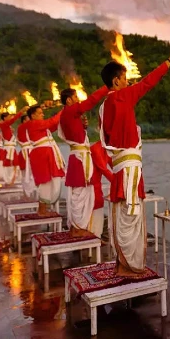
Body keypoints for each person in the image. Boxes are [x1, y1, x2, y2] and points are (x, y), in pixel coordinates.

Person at [99, 51, 170, 276]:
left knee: (122, 217)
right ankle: (129, 267)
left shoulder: (104, 105)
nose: (128, 82)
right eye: (125, 79)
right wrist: (168, 62)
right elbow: (148, 82)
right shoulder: (121, 97)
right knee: (131, 218)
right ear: (116, 81)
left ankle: (122, 263)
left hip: (120, 169)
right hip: (129, 170)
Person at [58, 85, 109, 237]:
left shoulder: (68, 114)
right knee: (79, 194)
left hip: (78, 157)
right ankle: (76, 228)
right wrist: (107, 87)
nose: (78, 100)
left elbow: (76, 134)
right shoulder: (69, 111)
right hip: (79, 159)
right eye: (75, 98)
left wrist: (82, 127)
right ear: (68, 100)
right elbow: (92, 100)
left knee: (80, 193)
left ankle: (77, 227)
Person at [26, 105, 65, 214]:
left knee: (50, 181)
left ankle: (43, 208)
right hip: (41, 155)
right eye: (40, 113)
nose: (43, 114)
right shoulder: (34, 123)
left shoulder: (38, 125)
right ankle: (42, 210)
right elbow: (51, 122)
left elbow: (53, 125)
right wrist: (64, 110)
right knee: (45, 181)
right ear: (33, 116)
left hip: (44, 154)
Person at [90, 140, 113, 238]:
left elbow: (115, 167)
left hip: (96, 184)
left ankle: (96, 237)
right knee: (96, 205)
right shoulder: (96, 148)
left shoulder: (107, 148)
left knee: (99, 205)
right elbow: (104, 169)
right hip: (89, 185)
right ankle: (92, 237)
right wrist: (119, 184)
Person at [0, 109, 27, 184]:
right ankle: (9, 180)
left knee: (14, 164)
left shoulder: (6, 125)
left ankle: (12, 180)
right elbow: (13, 119)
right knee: (9, 165)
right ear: (5, 118)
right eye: (8, 117)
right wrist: (21, 112)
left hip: (11, 148)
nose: (10, 118)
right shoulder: (4, 124)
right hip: (9, 149)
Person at [16, 114, 35, 198]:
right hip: (25, 152)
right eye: (28, 119)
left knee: (32, 173)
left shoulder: (28, 127)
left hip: (30, 151)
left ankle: (30, 191)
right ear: (23, 120)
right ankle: (26, 192)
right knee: (25, 174)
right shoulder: (22, 127)